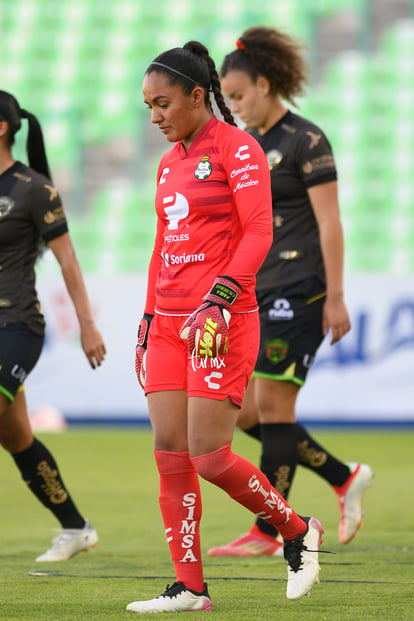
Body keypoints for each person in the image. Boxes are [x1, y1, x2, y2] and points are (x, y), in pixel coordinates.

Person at [127, 40, 325, 615]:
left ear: (197, 94)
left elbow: (258, 233)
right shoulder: (168, 166)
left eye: (164, 104)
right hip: (167, 324)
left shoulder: (239, 150)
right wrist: (145, 322)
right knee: (170, 452)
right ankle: (190, 588)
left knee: (210, 456)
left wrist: (218, 298)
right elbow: (162, 247)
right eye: (148, 108)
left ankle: (296, 529)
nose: (157, 117)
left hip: (220, 320)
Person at [207, 26, 373, 559]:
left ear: (264, 83)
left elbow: (330, 224)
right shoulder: (248, 146)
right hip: (259, 289)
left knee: (275, 409)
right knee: (246, 415)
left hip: (301, 290)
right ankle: (345, 478)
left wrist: (337, 295)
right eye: (226, 100)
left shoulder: (307, 140)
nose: (233, 108)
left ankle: (270, 531)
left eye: (237, 97)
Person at [0, 90, 106, 562]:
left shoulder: (33, 189)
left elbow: (67, 261)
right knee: (17, 438)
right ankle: (76, 527)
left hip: (16, 325)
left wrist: (88, 326)